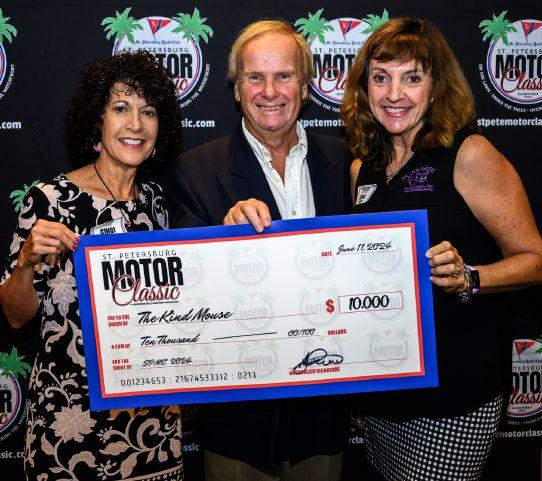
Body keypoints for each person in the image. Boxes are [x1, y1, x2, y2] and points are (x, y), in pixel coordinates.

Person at [340, 17, 542, 481]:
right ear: (364, 88)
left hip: (455, 394)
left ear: (436, 88)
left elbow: (535, 259)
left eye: (412, 78)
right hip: (385, 394)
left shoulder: (468, 155)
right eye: (381, 78)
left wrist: (470, 277)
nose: (394, 94)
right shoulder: (362, 169)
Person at [163, 20, 351, 481]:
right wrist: (220, 247)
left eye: (284, 75)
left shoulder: (346, 161)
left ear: (305, 86)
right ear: (236, 88)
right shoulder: (193, 171)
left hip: (323, 412)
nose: (270, 91)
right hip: (241, 422)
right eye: (254, 77)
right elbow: (182, 298)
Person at [0, 51, 183, 480]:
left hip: (152, 424)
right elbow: (15, 316)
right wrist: (25, 263)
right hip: (70, 427)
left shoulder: (157, 202)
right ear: (97, 120)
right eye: (121, 108)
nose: (136, 124)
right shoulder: (50, 200)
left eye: (148, 112)